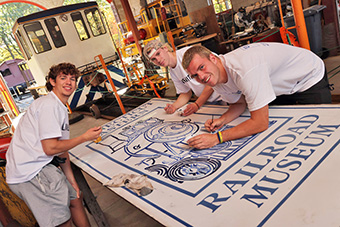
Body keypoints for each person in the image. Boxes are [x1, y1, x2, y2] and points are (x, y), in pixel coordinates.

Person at [181, 42, 332, 149]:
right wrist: (223, 119)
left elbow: (260, 122)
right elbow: (239, 104)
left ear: (213, 58)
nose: (201, 76)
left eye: (202, 67)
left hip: (308, 76)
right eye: (195, 75)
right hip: (281, 87)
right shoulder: (215, 78)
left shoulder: (244, 69)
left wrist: (217, 138)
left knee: (322, 132)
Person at [6, 63, 102, 227]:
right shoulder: (49, 105)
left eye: (72, 79)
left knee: (76, 199)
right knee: (62, 221)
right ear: (52, 81)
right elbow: (50, 148)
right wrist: (84, 137)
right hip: (31, 173)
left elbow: (61, 147)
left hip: (41, 166)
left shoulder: (59, 106)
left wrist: (71, 179)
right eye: (63, 78)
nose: (68, 82)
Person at [143, 39, 223, 116]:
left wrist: (197, 104)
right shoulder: (173, 72)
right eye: (153, 59)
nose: (158, 60)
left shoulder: (187, 54)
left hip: (222, 97)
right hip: (208, 102)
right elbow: (185, 93)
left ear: (165, 48)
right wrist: (174, 106)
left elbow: (214, 75)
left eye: (158, 54)